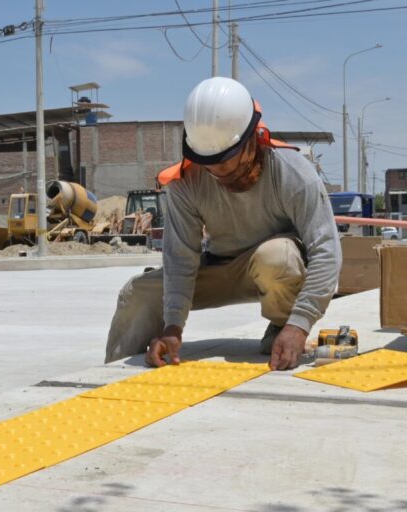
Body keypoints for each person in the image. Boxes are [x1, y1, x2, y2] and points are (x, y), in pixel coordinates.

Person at [105, 77, 341, 371]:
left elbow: (327, 252)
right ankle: (111, 372)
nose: (219, 173)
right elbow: (180, 260)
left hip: (273, 269)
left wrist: (300, 324)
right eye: (210, 164)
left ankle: (282, 329)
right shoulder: (186, 183)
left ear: (252, 139)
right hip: (218, 269)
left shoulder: (292, 173)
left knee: (277, 257)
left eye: (229, 163)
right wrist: (172, 328)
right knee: (137, 292)